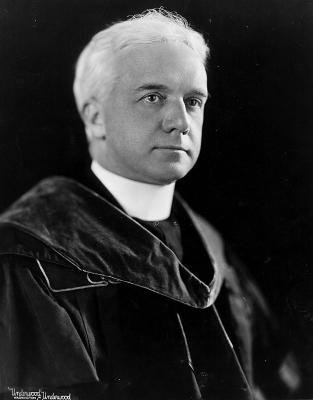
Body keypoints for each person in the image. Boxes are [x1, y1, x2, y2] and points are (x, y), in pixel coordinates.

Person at [0, 8, 301, 400]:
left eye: (193, 101)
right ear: (94, 117)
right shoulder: (31, 255)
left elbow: (278, 383)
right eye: (153, 97)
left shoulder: (211, 249)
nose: (180, 121)